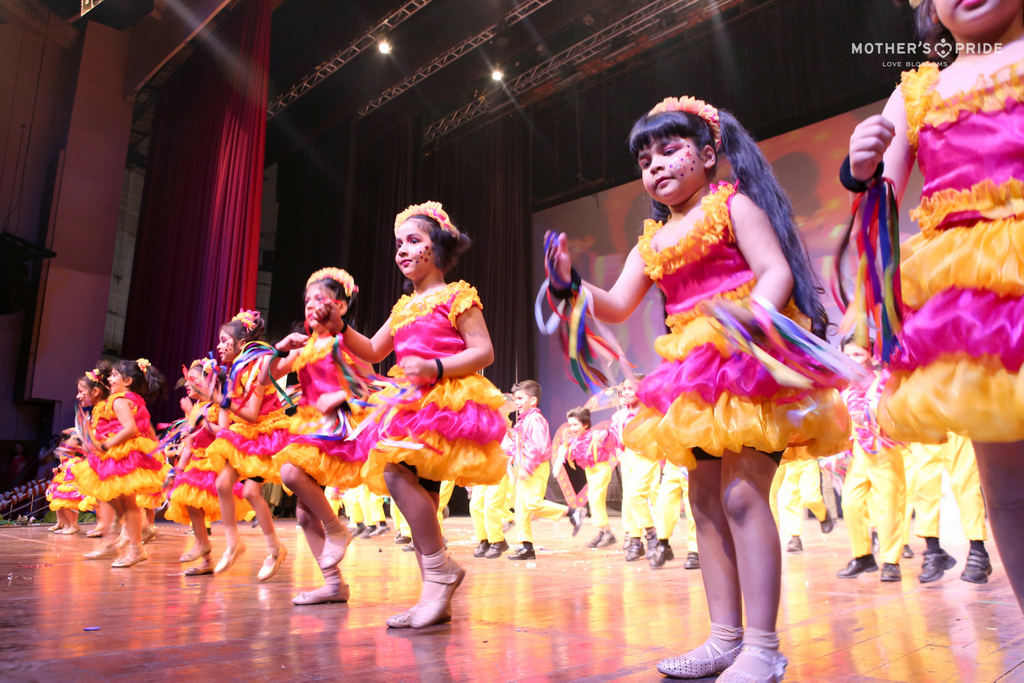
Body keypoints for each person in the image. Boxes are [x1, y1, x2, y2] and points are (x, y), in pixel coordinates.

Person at [544, 96, 850, 681]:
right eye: (644, 159)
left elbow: (775, 271)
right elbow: (614, 303)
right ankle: (724, 638)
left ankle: (762, 646)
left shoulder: (732, 205)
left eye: (669, 149)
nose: (655, 166)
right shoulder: (650, 242)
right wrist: (569, 283)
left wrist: (753, 320)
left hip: (750, 356)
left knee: (741, 496)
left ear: (709, 155)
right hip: (692, 372)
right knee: (704, 502)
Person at [845, 0, 1024, 610]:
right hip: (971, 306)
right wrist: (862, 168)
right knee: (1007, 490)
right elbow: (884, 195)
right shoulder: (917, 91)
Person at [339, 201, 508, 628]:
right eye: (398, 243)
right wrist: (339, 327)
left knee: (395, 473)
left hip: (443, 403)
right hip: (408, 403)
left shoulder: (457, 296)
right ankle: (434, 597)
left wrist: (434, 367)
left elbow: (483, 351)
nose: (403, 250)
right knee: (424, 505)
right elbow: (375, 351)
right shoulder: (401, 308)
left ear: (440, 247)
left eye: (414, 240)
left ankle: (440, 571)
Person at [269, 268, 368, 605]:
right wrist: (281, 348)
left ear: (339, 306)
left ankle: (337, 528)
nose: (310, 305)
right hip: (311, 425)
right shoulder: (303, 347)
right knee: (302, 514)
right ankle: (334, 585)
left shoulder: (343, 342)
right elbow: (268, 377)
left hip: (335, 427)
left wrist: (339, 397)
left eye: (319, 299)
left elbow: (368, 384)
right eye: (306, 300)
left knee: (289, 471)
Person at [200, 310, 291, 580]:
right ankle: (234, 544)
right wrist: (214, 421)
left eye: (224, 340)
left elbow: (251, 412)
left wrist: (219, 399)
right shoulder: (235, 372)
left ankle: (274, 550)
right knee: (225, 484)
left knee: (251, 492)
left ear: (241, 343)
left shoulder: (259, 365)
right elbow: (228, 422)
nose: (218, 346)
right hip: (244, 433)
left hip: (264, 433)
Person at [73, 359, 169, 568]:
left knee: (127, 502)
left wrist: (105, 446)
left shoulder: (120, 400)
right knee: (120, 499)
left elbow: (131, 429)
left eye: (114, 375)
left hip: (126, 453)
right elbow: (147, 429)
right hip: (132, 452)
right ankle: (125, 539)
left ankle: (135, 547)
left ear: (127, 380)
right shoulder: (134, 399)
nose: (109, 379)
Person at [165, 360, 251, 576]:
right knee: (192, 504)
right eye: (187, 380)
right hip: (198, 461)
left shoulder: (215, 407)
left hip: (214, 461)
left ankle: (208, 545)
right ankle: (206, 559)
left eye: (193, 379)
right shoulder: (196, 409)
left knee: (193, 502)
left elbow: (222, 431)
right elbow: (190, 442)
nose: (188, 384)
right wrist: (179, 469)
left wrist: (198, 419)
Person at [835, 339, 906, 583]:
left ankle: (891, 561)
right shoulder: (849, 388)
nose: (851, 360)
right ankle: (863, 556)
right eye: (847, 355)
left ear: (871, 357)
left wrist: (872, 417)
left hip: (885, 450)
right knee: (850, 503)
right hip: (860, 451)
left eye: (857, 354)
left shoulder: (885, 381)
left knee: (888, 506)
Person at [506, 380, 585, 561]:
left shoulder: (536, 420)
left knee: (532, 503)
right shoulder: (523, 421)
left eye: (520, 398)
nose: (516, 402)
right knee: (521, 509)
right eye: (515, 399)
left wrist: (526, 468)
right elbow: (518, 445)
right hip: (523, 467)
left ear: (533, 400)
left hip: (534, 468)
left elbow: (538, 447)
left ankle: (572, 512)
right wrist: (512, 460)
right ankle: (526, 547)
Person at [907, 435, 992, 584]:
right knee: (924, 484)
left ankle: (978, 550)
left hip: (957, 419)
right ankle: (933, 550)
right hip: (922, 420)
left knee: (965, 482)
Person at [613, 376, 660, 562]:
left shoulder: (650, 412)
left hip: (646, 456)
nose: (626, 392)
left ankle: (651, 533)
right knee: (629, 499)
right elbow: (617, 438)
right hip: (628, 458)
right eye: (624, 388)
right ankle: (635, 540)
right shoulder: (619, 416)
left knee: (636, 495)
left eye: (631, 388)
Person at [565, 408, 617, 549]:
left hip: (601, 469)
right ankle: (602, 532)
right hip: (590, 471)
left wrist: (606, 433)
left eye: (575, 424)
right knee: (595, 501)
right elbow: (572, 455)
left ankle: (607, 533)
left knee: (595, 499)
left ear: (585, 424)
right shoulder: (575, 440)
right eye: (570, 425)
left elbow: (609, 436)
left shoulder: (596, 435)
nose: (572, 428)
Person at [769, 458, 834, 554]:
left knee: (811, 499)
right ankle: (795, 537)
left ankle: (823, 514)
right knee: (791, 499)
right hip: (788, 459)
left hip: (808, 456)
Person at [651, 463, 700, 570]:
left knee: (692, 507)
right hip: (673, 462)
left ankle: (695, 550)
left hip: (693, 462)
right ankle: (663, 543)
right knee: (663, 502)